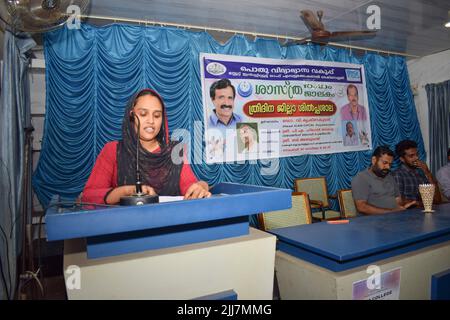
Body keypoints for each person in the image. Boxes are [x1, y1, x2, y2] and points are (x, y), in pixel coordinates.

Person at [82, 89, 211, 204]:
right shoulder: (112, 150)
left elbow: (190, 186)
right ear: (131, 116)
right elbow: (88, 196)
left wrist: (201, 186)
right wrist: (129, 191)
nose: (151, 121)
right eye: (143, 114)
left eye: (157, 115)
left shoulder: (174, 150)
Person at [351, 146, 416, 215]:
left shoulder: (389, 176)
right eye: (385, 163)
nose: (388, 167)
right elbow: (362, 207)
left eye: (390, 164)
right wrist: (392, 212)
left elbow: (398, 200)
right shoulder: (361, 178)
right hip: (372, 221)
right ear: (374, 160)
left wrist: (403, 207)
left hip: (395, 218)